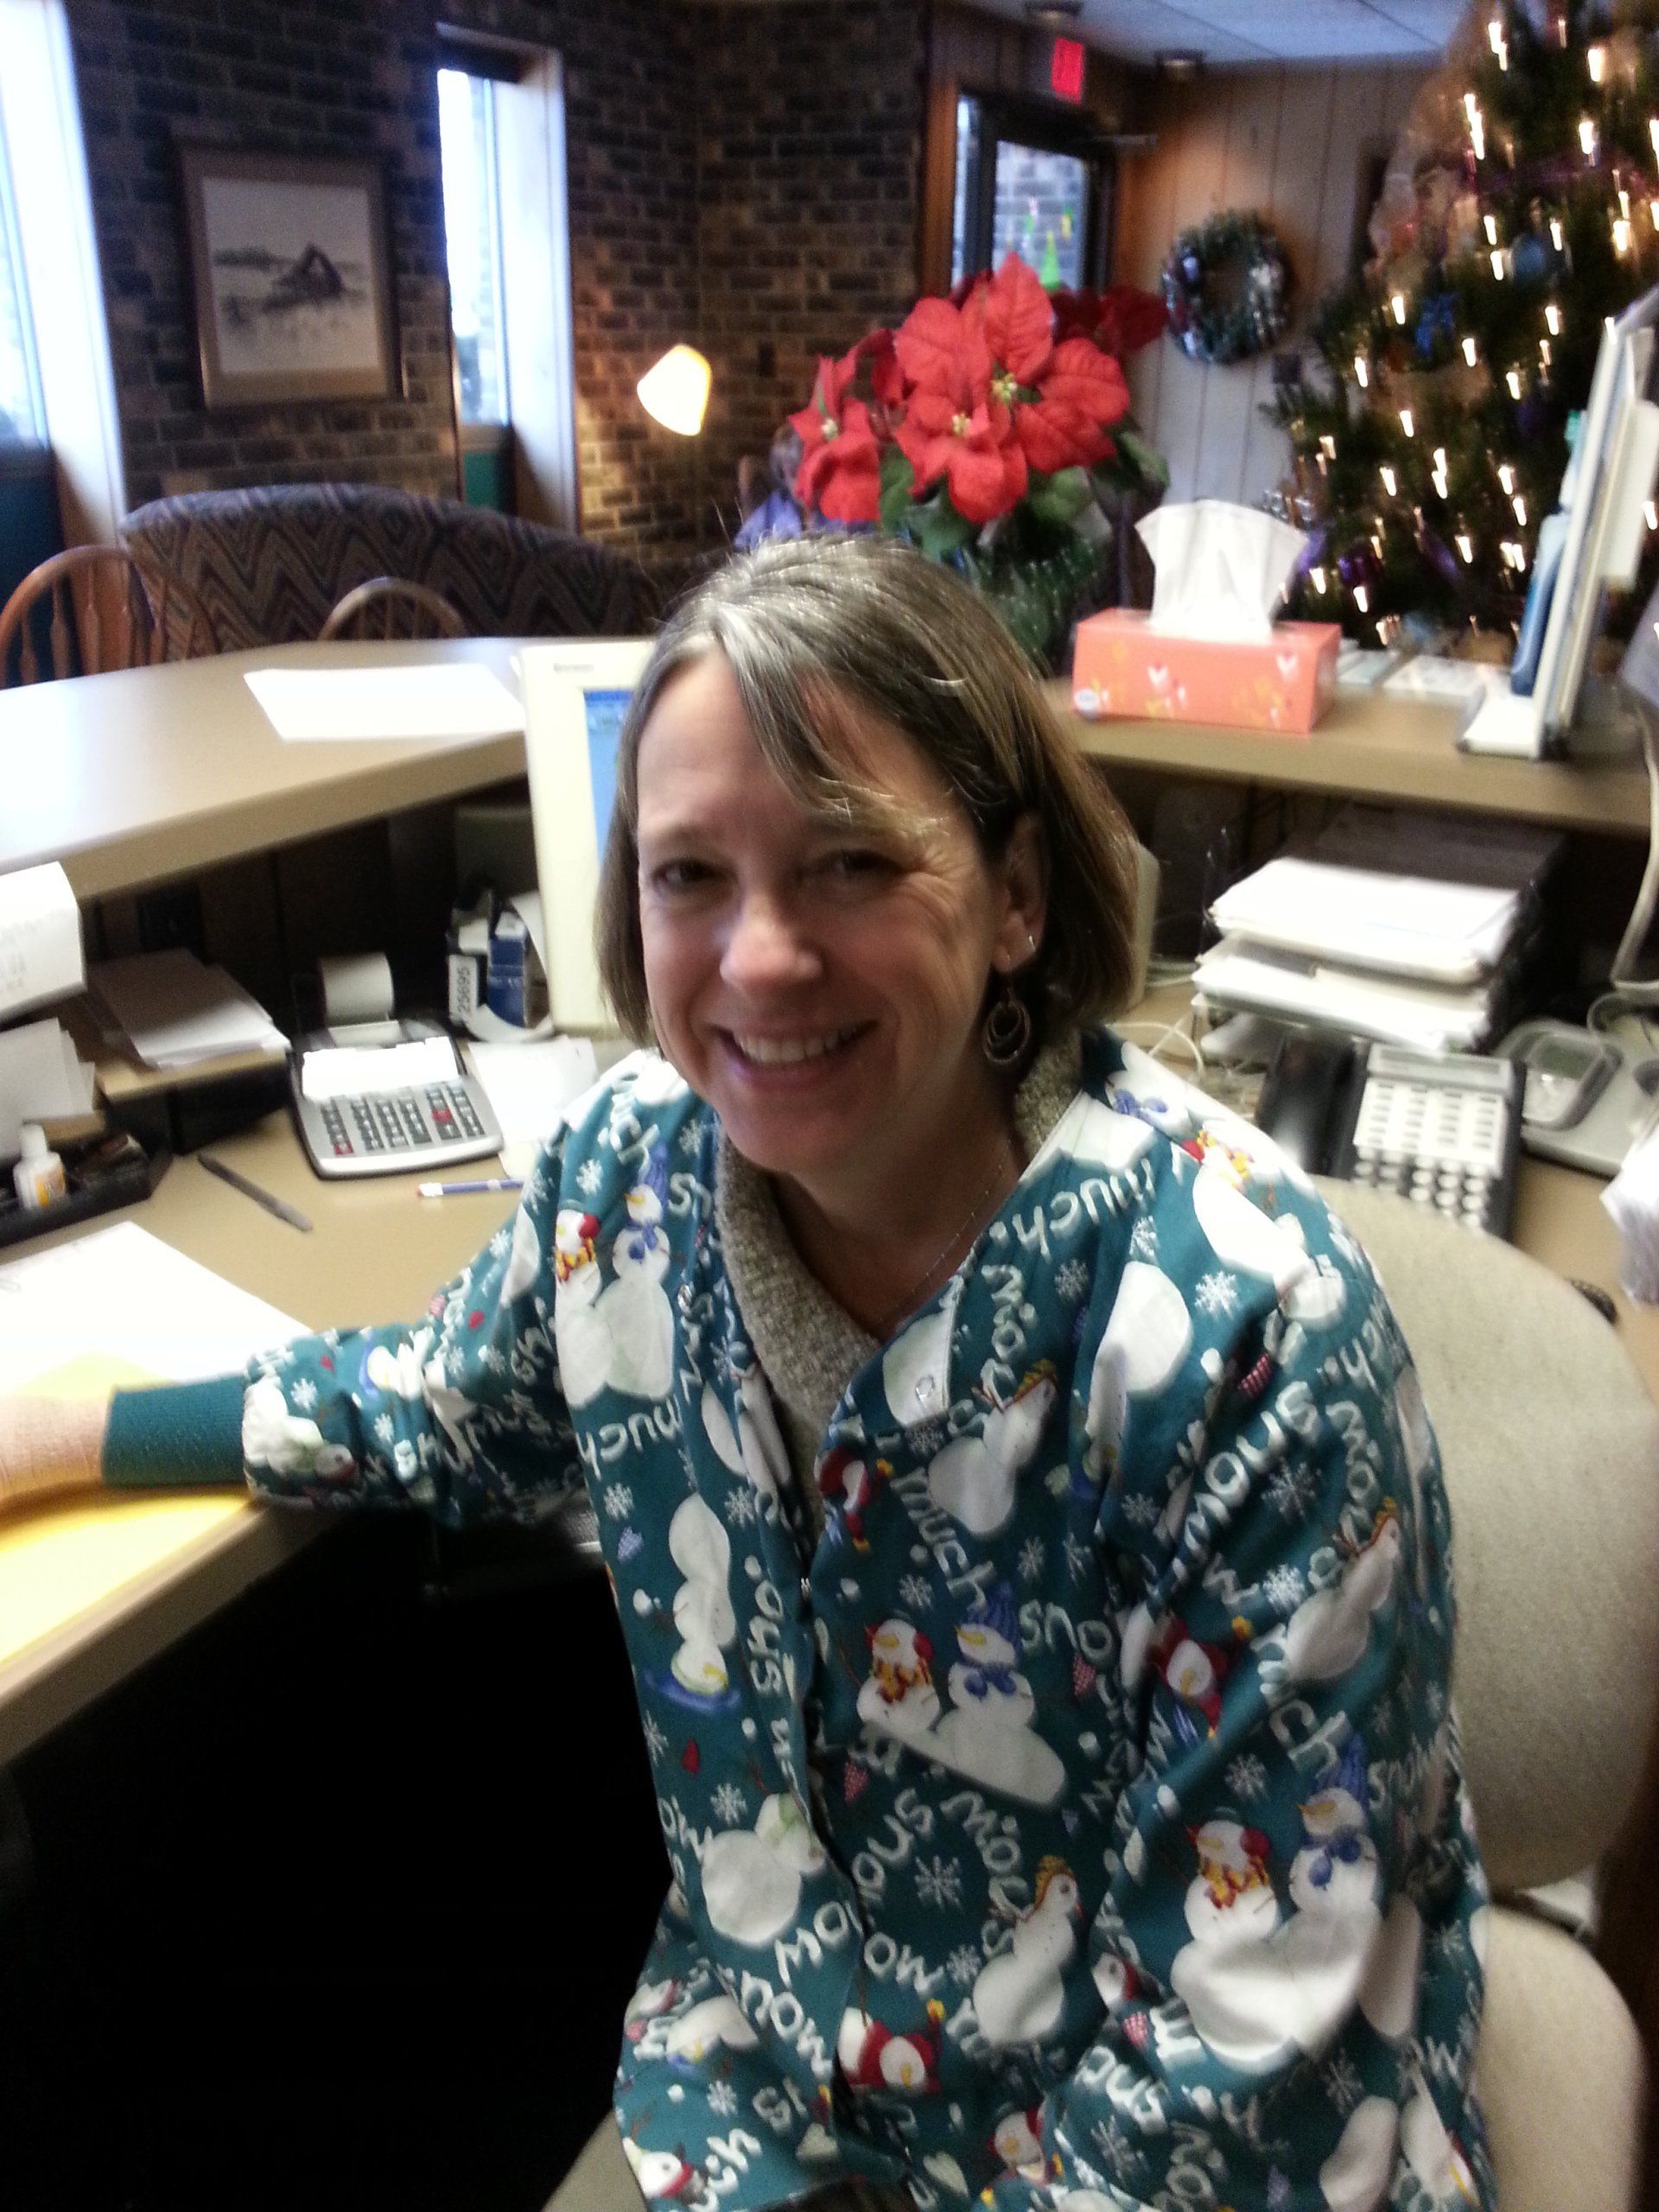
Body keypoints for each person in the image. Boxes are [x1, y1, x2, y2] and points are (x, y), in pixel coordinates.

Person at [0, 537, 1493, 2212]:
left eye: (851, 862)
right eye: (689, 873)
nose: (759, 958)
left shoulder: (1248, 1341)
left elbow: (1246, 2079)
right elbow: (423, 1400)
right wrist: (60, 1427)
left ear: (1015, 894)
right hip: (768, 2084)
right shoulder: (626, 1186)